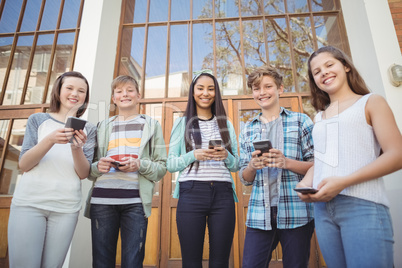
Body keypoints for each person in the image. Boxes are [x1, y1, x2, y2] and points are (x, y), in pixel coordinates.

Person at [297, 46, 402, 267]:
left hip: (363, 206)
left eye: (329, 65)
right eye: (316, 72)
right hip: (324, 210)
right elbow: (322, 162)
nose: (323, 73)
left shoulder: (371, 102)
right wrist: (306, 184)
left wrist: (343, 182)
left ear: (345, 66)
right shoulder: (319, 117)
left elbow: (397, 154)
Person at [8, 71, 96, 268]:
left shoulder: (89, 129)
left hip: (66, 208)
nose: (75, 94)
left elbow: (83, 173)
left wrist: (76, 147)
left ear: (85, 98)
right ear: (58, 91)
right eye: (70, 88)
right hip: (30, 204)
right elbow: (24, 164)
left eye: (81, 91)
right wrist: (50, 140)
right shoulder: (38, 120)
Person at [85, 75, 167, 268]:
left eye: (130, 90)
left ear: (138, 95)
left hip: (135, 204)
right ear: (113, 98)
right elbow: (89, 170)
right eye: (119, 91)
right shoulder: (102, 126)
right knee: (102, 262)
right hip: (102, 202)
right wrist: (99, 166)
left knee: (133, 262)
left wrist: (140, 165)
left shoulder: (151, 125)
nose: (125, 94)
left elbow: (162, 167)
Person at [239, 66, 315, 268]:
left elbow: (319, 166)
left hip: (297, 212)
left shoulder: (301, 122)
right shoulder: (248, 128)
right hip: (259, 215)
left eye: (268, 86)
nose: (262, 92)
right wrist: (252, 166)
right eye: (256, 88)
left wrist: (286, 162)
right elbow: (244, 177)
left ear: (280, 88)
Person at [167, 70, 239, 268]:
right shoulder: (182, 123)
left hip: (223, 194)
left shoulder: (226, 124)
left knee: (220, 261)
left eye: (210, 88)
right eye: (200, 88)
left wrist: (227, 156)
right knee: (191, 261)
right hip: (191, 193)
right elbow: (170, 163)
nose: (205, 93)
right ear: (192, 92)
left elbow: (237, 165)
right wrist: (194, 155)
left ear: (216, 93)